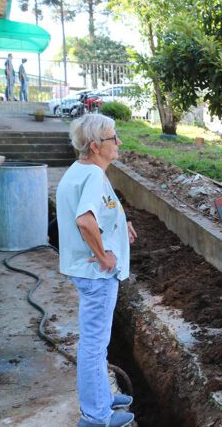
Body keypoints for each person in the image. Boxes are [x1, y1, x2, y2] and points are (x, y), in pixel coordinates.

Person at [56, 114, 137, 427]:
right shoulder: (92, 176)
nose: (118, 142)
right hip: (96, 276)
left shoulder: (83, 171)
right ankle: (96, 416)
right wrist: (104, 255)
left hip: (86, 273)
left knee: (96, 342)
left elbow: (99, 213)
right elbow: (85, 220)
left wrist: (120, 226)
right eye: (112, 137)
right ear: (94, 145)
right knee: (93, 346)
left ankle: (101, 396)